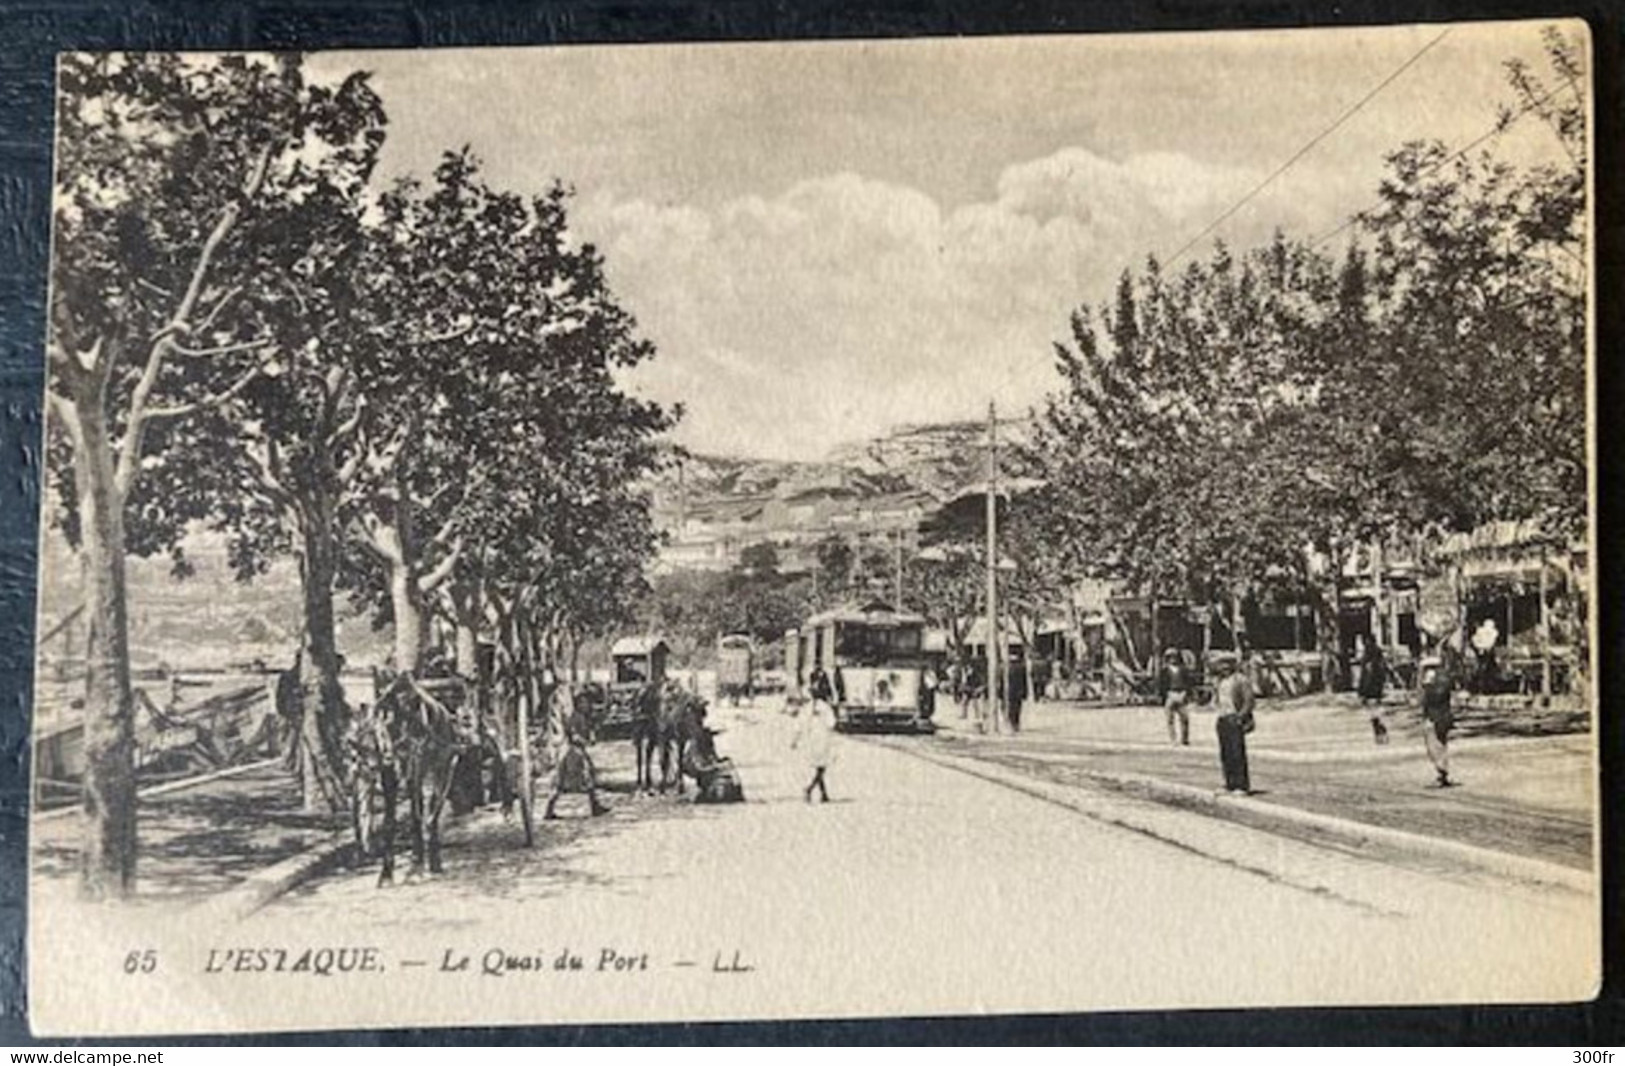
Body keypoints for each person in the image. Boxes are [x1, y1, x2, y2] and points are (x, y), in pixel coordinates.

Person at [1211, 655, 1255, 794]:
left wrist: (1240, 716)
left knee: (1237, 753)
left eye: (1226, 665)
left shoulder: (1241, 680)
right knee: (1225, 753)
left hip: (1234, 718)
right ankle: (1229, 783)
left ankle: (1241, 785)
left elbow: (1249, 701)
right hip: (1222, 717)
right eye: (1221, 665)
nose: (1223, 668)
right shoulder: (1219, 681)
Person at [1418, 655, 1456, 788]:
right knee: (1436, 744)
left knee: (1436, 745)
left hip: (1437, 716)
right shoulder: (1437, 678)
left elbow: (1436, 696)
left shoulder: (1439, 680)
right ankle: (1441, 771)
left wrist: (1427, 688)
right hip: (1437, 715)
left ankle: (1442, 772)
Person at [792, 689, 835, 803]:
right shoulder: (826, 707)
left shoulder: (806, 708)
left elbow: (799, 725)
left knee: (818, 767)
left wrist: (795, 740)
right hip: (823, 739)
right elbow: (831, 723)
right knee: (821, 768)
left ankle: (824, 794)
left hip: (811, 740)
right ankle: (809, 789)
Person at [1158, 647, 1192, 746]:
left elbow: (1188, 683)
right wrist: (1165, 695)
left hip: (1181, 693)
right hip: (1170, 694)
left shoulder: (1183, 670)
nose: (1173, 659)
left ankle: (1184, 739)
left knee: (1185, 718)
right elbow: (1161, 685)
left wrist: (1186, 693)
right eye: (1170, 657)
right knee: (1170, 719)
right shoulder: (1164, 671)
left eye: (1175, 657)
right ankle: (1173, 739)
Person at [1359, 638, 1388, 744]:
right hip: (1376, 689)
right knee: (1376, 710)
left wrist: (1361, 691)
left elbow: (1364, 677)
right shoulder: (1379, 660)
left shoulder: (1368, 662)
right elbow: (1383, 675)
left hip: (1370, 689)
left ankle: (1379, 732)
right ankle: (1380, 732)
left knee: (1373, 712)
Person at [1006, 654, 1028, 732]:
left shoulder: (1007, 669)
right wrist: (1025, 692)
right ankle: (1016, 723)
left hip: (1010, 691)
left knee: (1011, 707)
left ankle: (1012, 723)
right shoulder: (1021, 668)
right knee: (1017, 707)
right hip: (1019, 691)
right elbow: (1024, 681)